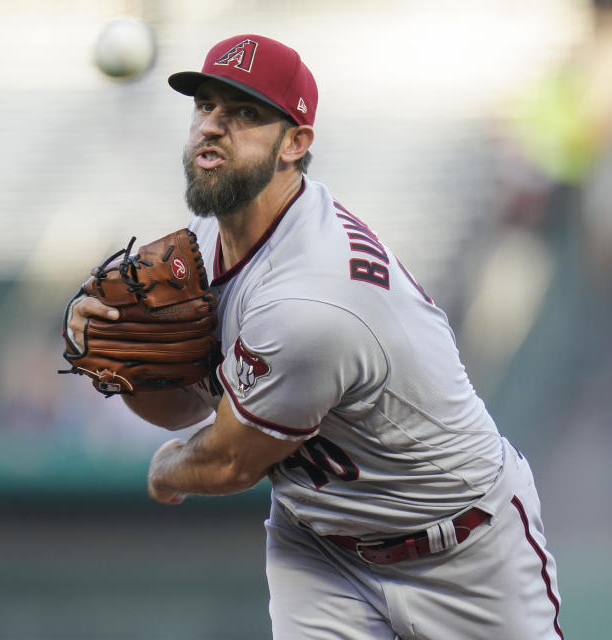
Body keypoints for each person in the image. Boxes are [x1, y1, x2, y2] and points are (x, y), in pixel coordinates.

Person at [66, 34, 562, 639]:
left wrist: (164, 470)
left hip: (463, 549)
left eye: (244, 113)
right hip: (320, 548)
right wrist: (125, 366)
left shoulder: (310, 299)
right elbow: (183, 407)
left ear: (295, 144)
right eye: (205, 106)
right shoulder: (200, 246)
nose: (213, 127)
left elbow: (227, 462)